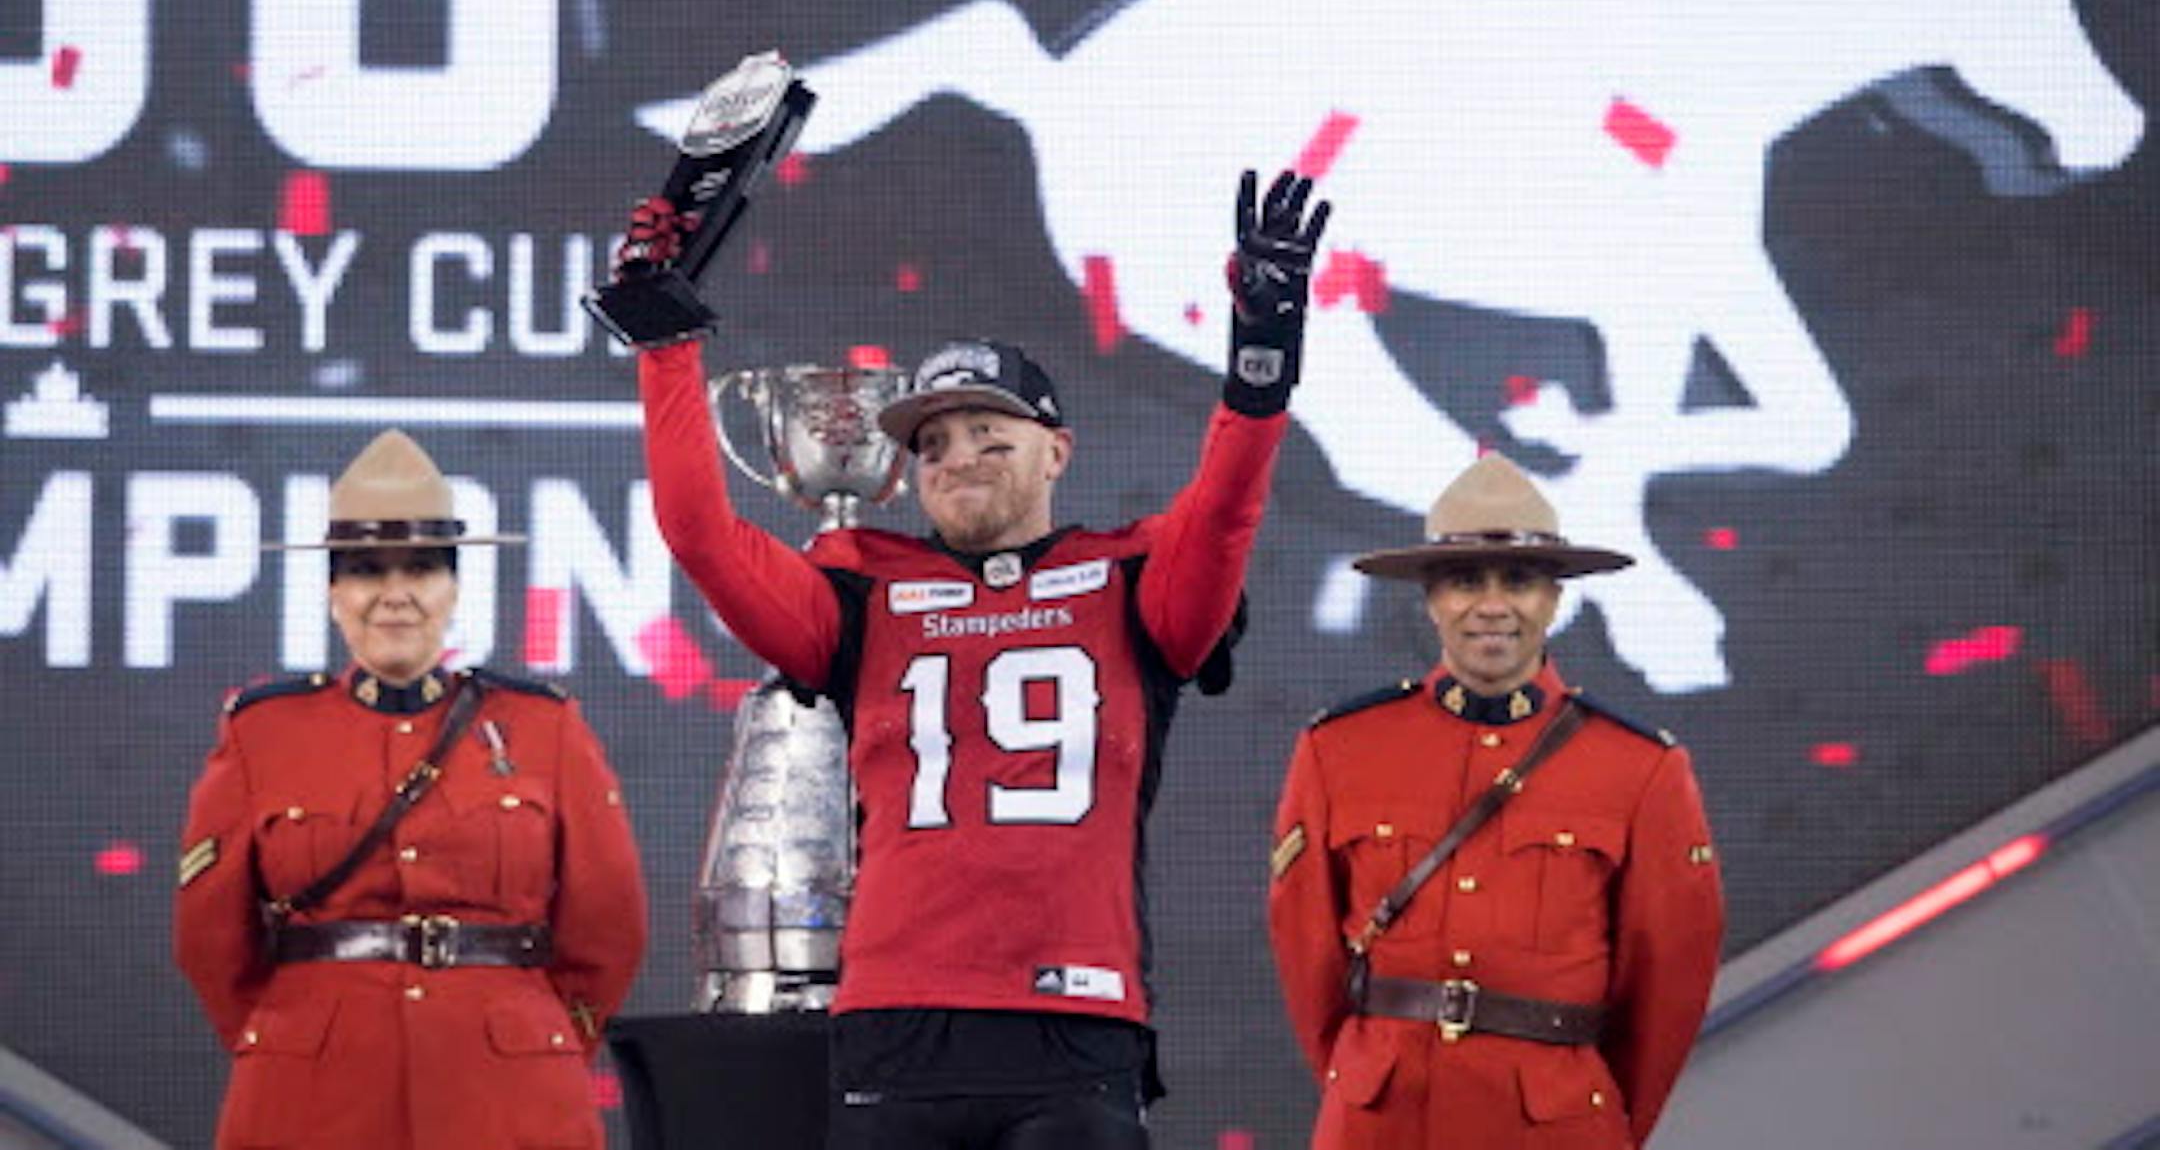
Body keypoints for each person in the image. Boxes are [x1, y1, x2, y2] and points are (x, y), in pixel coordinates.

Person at [629, 169, 1330, 1148]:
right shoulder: (862, 592)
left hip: (1076, 1021)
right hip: (896, 1021)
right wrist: (664, 344)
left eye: (988, 434)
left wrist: (1259, 360)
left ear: (1057, 451)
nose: (957, 456)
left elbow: (1227, 508)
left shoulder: (1130, 581)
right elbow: (700, 532)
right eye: (935, 443)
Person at [174, 429, 648, 1150]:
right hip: (311, 1097)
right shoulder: (261, 731)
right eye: (366, 571)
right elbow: (210, 938)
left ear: (454, 588)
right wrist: (290, 1035)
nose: (394, 596)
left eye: (421, 569)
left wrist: (540, 1039)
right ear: (334, 592)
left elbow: (608, 927)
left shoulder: (542, 725)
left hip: (508, 1094)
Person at [1267, 453, 1724, 1149]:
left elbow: (1667, 990)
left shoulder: (1641, 767)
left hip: (1555, 1128)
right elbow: (1308, 959)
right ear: (1429, 596)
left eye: (1519, 579)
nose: (1491, 603)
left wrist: (1593, 1113)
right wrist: (1363, 1074)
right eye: (1462, 580)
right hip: (1379, 1121)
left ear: (1556, 598)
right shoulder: (1339, 747)